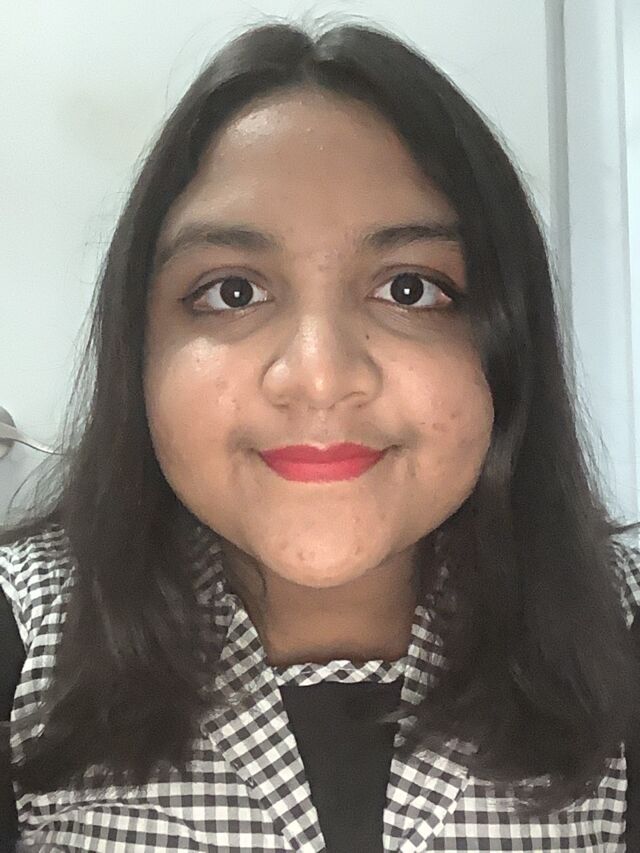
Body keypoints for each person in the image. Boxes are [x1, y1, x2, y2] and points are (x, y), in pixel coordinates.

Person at [1, 18, 640, 853]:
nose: (319, 374)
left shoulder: (617, 633)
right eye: (233, 291)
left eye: (409, 288)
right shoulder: (26, 636)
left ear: (506, 348)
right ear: (140, 350)